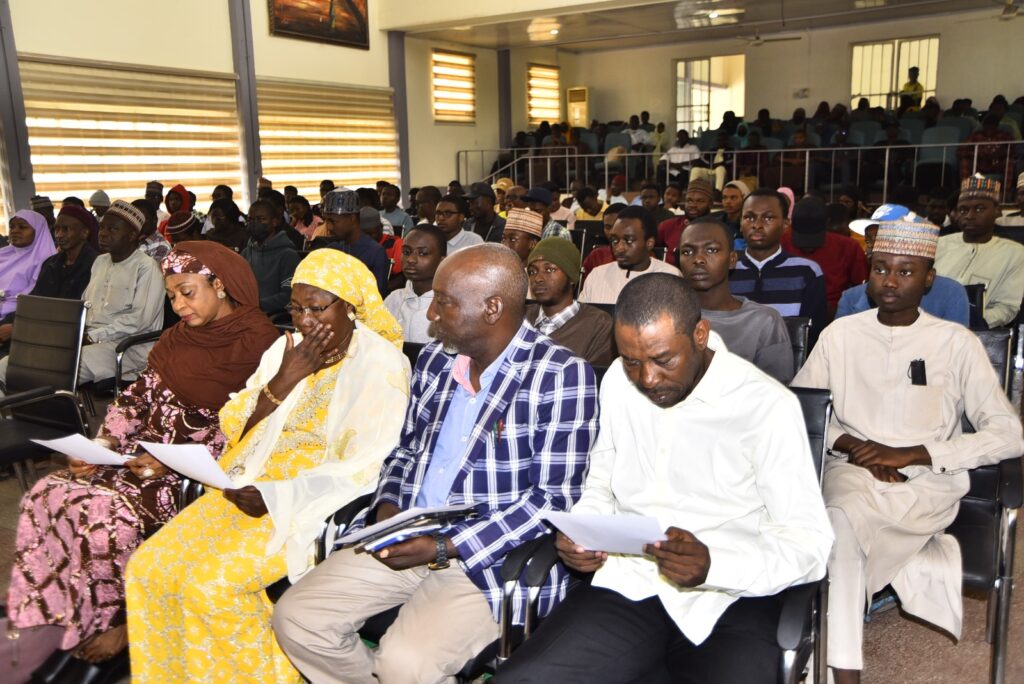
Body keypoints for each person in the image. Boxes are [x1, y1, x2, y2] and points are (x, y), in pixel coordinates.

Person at [272, 243, 598, 683]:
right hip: (410, 533)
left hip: (489, 558)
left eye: (444, 302)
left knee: (403, 664)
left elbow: (553, 500)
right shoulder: (436, 360)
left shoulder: (558, 375)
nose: (430, 314)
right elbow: (406, 451)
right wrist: (389, 508)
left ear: (491, 307)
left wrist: (446, 546)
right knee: (297, 617)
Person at [497, 274, 832, 684]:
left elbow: (809, 544)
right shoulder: (619, 383)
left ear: (700, 335)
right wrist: (586, 532)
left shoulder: (765, 407)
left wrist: (714, 565)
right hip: (631, 584)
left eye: (663, 360)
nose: (647, 379)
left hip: (731, 597)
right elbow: (602, 482)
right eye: (631, 361)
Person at [126, 249, 408, 684]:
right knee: (148, 568)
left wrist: (277, 495)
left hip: (304, 504)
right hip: (243, 482)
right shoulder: (284, 349)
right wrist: (284, 378)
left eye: (317, 308)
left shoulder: (380, 364)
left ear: (350, 307)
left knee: (209, 586)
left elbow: (365, 465)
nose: (305, 321)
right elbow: (234, 425)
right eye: (296, 308)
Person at [1, 242, 277, 681]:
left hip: (193, 474)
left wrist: (173, 462)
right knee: (48, 492)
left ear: (220, 285)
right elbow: (135, 398)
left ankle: (124, 623)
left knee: (102, 513)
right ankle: (61, 609)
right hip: (137, 457)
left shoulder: (261, 345)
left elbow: (250, 429)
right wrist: (104, 442)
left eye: (187, 292)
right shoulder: (176, 338)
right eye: (172, 296)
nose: (178, 305)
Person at [791, 217, 1024, 684]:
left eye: (905, 271)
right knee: (842, 518)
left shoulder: (956, 342)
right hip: (852, 470)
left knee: (840, 537)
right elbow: (803, 410)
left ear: (928, 278)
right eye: (880, 269)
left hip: (929, 481)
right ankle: (844, 672)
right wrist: (855, 446)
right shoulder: (841, 334)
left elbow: (1009, 434)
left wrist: (915, 454)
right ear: (868, 275)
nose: (890, 281)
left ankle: (825, 648)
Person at [679, 217, 794, 382]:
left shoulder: (763, 321)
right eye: (687, 252)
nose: (698, 259)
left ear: (732, 259)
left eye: (711, 250)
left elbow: (775, 392)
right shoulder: (665, 317)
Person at [72, 201, 165, 383]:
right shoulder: (100, 262)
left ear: (132, 235)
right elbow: (86, 304)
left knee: (65, 365)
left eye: (113, 229)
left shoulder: (147, 267)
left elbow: (140, 321)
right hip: (92, 340)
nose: (103, 233)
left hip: (128, 346)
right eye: (102, 228)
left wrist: (92, 336)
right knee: (42, 355)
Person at [730, 189, 828, 343]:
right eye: (749, 217)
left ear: (785, 224)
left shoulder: (807, 272)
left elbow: (813, 335)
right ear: (740, 224)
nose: (757, 225)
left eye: (768, 218)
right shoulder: (725, 270)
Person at [0, 207, 98, 350]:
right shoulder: (52, 263)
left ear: (84, 232)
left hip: (66, 334)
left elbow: (70, 310)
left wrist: (18, 326)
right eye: (57, 229)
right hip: (39, 327)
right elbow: (35, 299)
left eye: (65, 229)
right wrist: (9, 323)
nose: (59, 235)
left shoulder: (94, 264)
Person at [935, 175, 1024, 327]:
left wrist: (964, 320)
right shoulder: (939, 244)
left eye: (979, 209)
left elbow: (1006, 308)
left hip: (976, 332)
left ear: (997, 211)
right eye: (963, 210)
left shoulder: (1015, 254)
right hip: (927, 326)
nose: (970, 216)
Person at [526, 237, 615, 367]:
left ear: (572, 277)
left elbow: (591, 376)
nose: (538, 278)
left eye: (550, 270)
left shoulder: (599, 325)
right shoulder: (519, 318)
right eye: (532, 271)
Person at [781, 196, 869, 315]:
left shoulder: (848, 247)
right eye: (802, 237)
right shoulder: (778, 244)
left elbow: (862, 290)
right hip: (786, 311)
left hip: (836, 314)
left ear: (827, 223)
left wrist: (842, 310)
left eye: (813, 237)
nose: (808, 247)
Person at [580, 206, 681, 305]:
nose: (619, 248)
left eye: (629, 241)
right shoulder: (597, 275)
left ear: (649, 243)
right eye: (615, 240)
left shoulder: (670, 277)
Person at [315, 189, 391, 296]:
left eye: (333, 221)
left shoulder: (375, 252)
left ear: (352, 218)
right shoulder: (332, 250)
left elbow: (376, 297)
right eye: (326, 221)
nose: (329, 227)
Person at [384, 224, 446, 344]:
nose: (411, 259)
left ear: (442, 261)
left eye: (423, 253)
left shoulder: (451, 305)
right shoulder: (394, 299)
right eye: (406, 252)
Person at [242, 199, 301, 316]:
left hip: (273, 317)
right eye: (251, 220)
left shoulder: (288, 255)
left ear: (274, 222)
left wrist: (256, 305)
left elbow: (289, 295)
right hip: (246, 314)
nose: (255, 224)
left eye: (261, 219)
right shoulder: (246, 253)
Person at [0, 210, 57, 319]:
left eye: (22, 227)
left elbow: (31, 299)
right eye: (12, 227)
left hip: (16, 316)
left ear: (38, 231)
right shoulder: (3, 254)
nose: (15, 231)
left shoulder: (47, 262)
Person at [656, 178, 714, 266]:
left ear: (710, 203)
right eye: (689, 200)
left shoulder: (719, 230)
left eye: (700, 201)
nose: (693, 205)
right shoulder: (667, 226)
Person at [581, 203, 627, 279]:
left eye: (616, 226)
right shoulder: (596, 256)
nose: (612, 232)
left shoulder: (641, 257)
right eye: (608, 227)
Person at [711, 180, 749, 247]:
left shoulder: (749, 224)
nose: (728, 202)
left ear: (744, 198)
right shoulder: (715, 223)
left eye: (733, 198)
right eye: (725, 197)